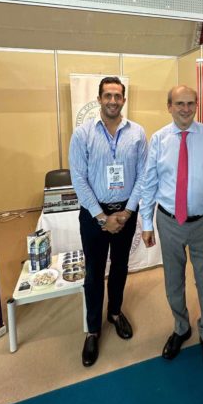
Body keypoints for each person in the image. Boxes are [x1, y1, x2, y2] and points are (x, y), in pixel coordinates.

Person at [141, 85, 203, 375]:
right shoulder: (158, 139)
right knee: (173, 280)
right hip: (169, 221)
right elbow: (149, 183)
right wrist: (146, 223)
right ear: (169, 106)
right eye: (179, 103)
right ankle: (181, 328)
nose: (185, 109)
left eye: (190, 103)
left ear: (197, 105)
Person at [69, 76, 147, 367]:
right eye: (107, 95)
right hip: (94, 214)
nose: (113, 101)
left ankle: (114, 312)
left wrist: (127, 212)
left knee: (121, 266)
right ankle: (93, 329)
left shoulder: (137, 133)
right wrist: (102, 218)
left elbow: (143, 174)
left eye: (117, 96)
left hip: (126, 211)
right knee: (94, 271)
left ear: (123, 100)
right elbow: (79, 178)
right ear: (99, 99)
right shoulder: (83, 134)